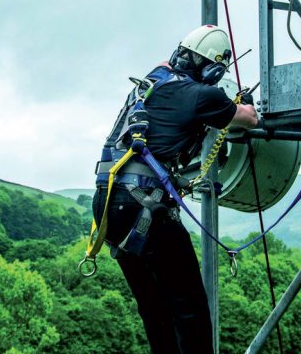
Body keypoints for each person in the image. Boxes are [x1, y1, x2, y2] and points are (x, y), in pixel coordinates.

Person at [92, 25, 258, 354]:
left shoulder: (150, 82)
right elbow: (249, 118)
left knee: (154, 311)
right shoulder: (203, 96)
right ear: (211, 69)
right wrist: (240, 102)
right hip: (147, 207)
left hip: (109, 203)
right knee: (190, 310)